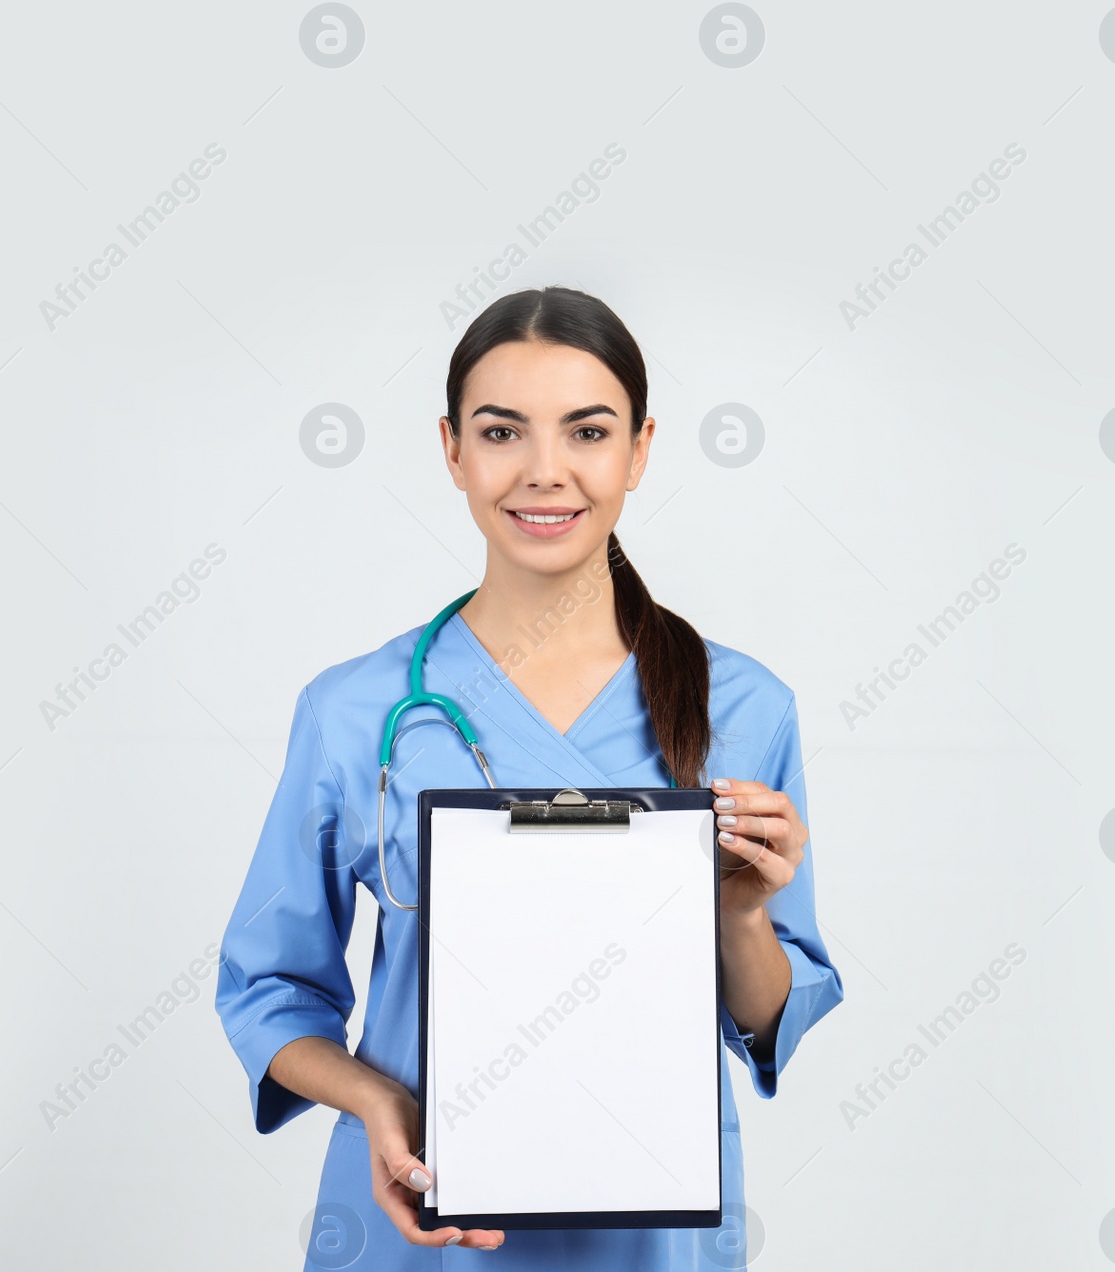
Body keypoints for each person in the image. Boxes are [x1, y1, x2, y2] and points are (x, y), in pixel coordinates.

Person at [214, 286, 843, 1269]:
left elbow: (767, 1021)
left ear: (638, 449)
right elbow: (269, 988)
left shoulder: (743, 707)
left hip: (648, 1236)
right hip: (421, 1219)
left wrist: (743, 915)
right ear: (451, 449)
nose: (544, 472)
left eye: (586, 432)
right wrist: (379, 1101)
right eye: (502, 431)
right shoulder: (354, 712)